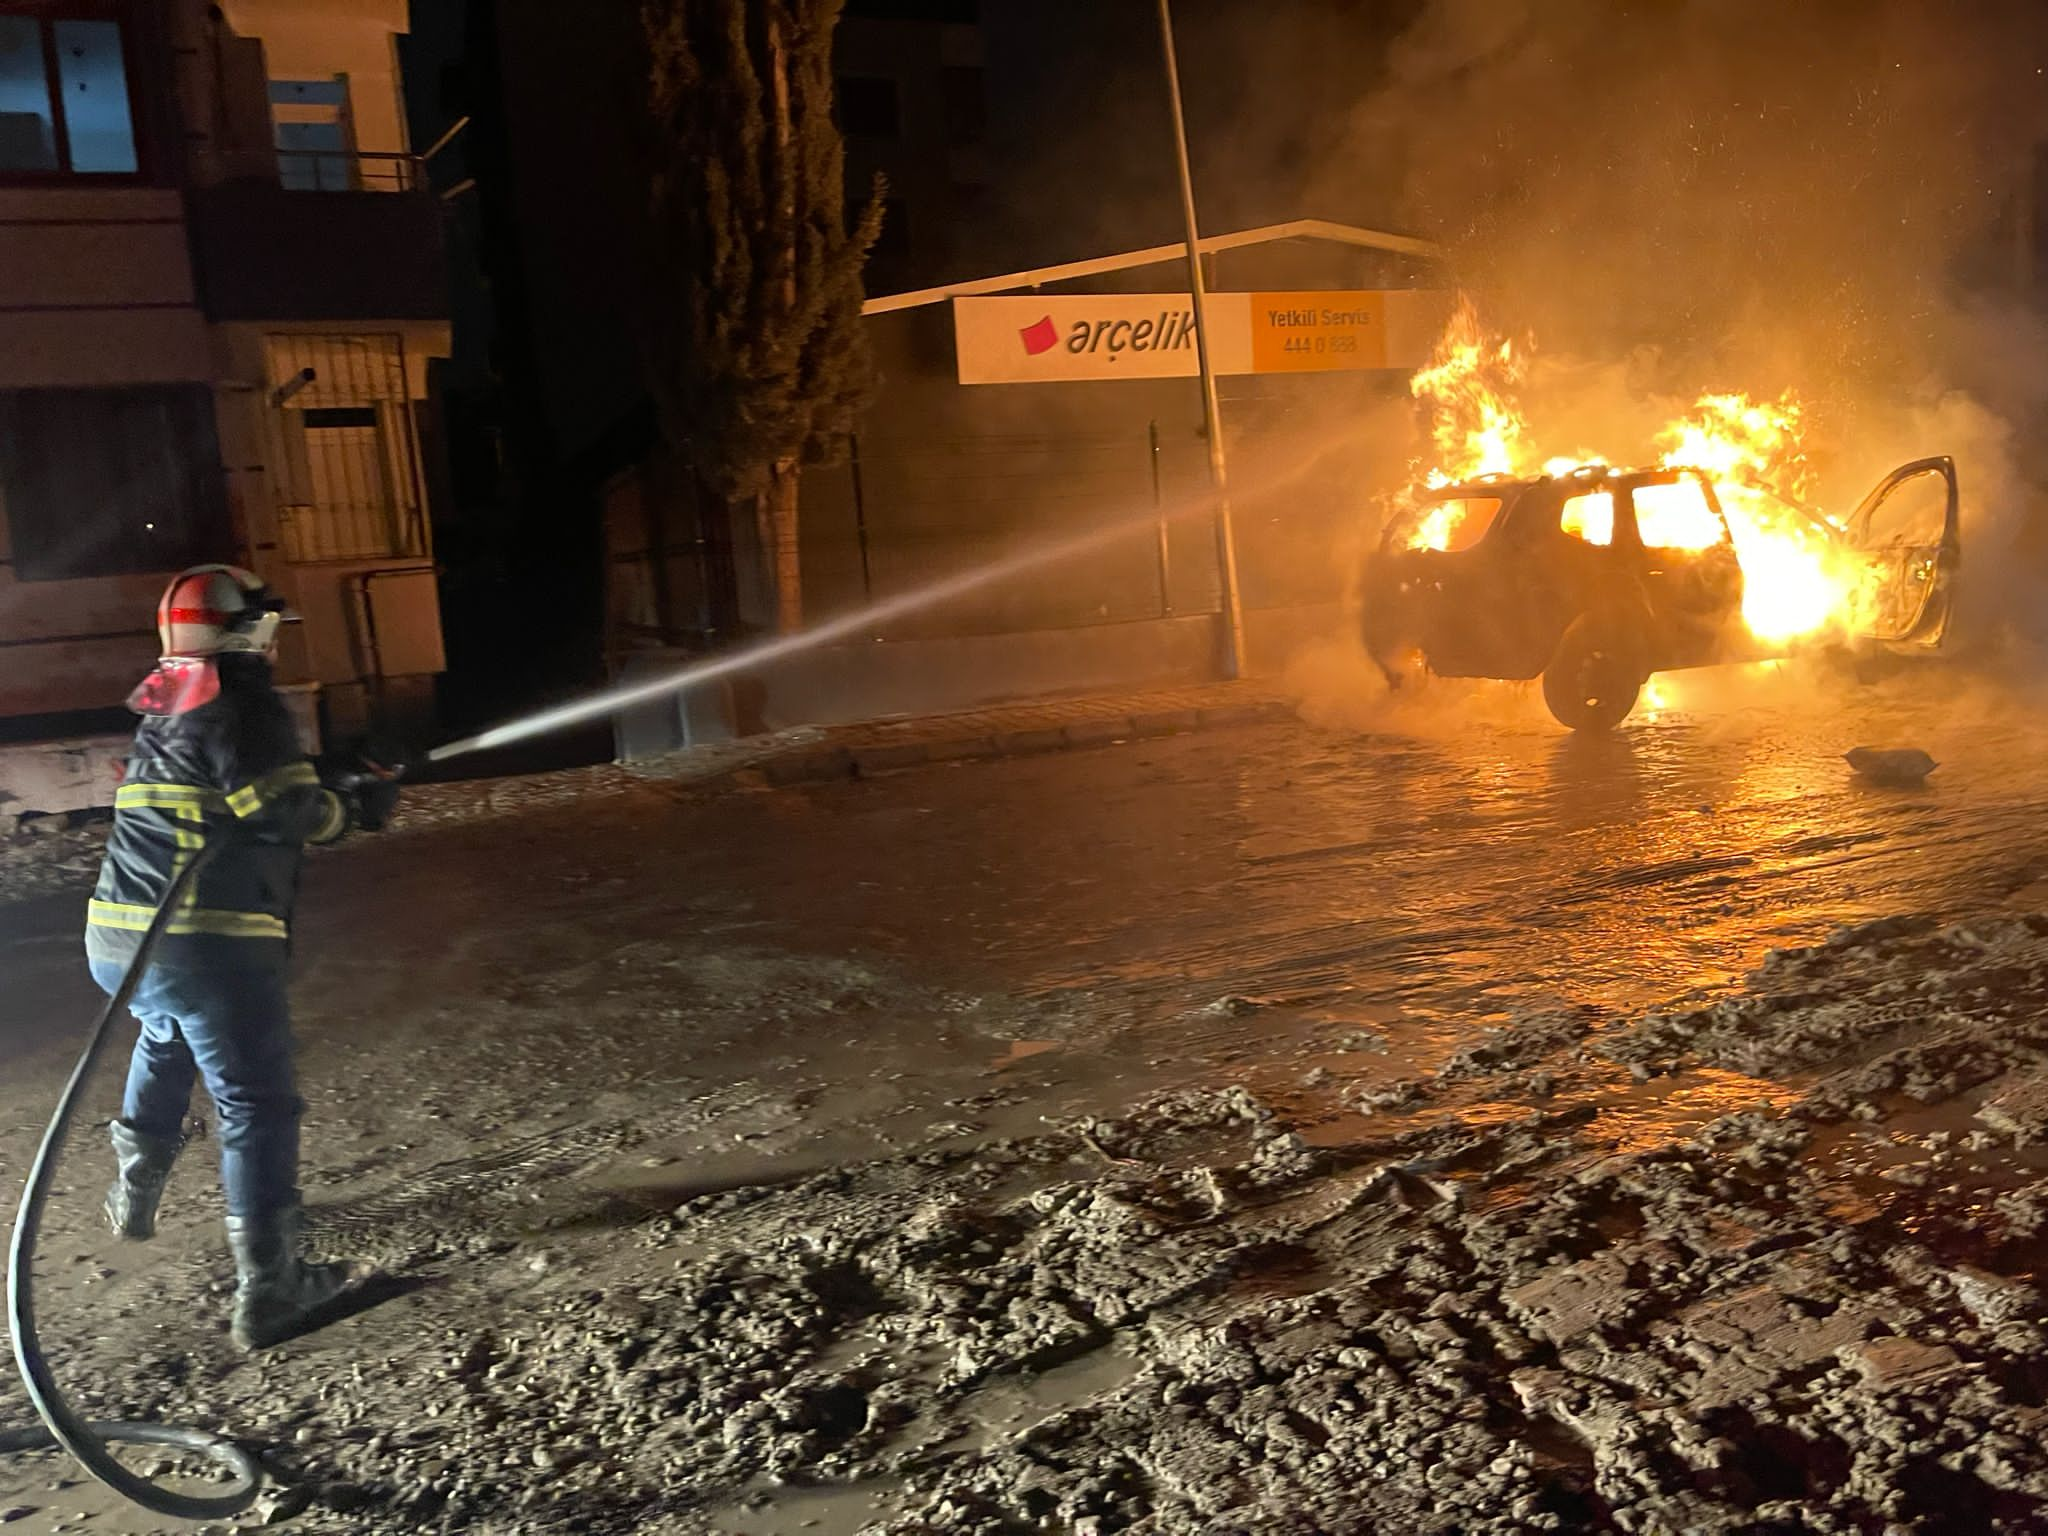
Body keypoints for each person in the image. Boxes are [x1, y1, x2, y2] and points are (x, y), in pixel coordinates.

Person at [88, 564, 396, 1350]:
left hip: (122, 939)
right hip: (206, 942)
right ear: (248, 629)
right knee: (256, 1103)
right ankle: (270, 1289)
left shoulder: (167, 697)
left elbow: (224, 787)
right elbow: (281, 810)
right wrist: (347, 809)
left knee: (164, 1035)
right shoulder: (248, 702)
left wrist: (321, 779)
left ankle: (136, 1188)